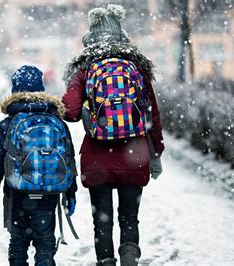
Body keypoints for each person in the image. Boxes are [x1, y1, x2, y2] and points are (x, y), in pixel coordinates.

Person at [61, 4, 165, 266]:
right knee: (129, 217)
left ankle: (106, 261)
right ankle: (129, 256)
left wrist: (86, 107)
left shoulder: (85, 68)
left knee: (102, 220)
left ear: (91, 37)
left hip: (97, 157)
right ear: (122, 34)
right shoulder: (137, 67)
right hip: (135, 153)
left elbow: (70, 112)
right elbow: (152, 114)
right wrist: (156, 153)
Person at [0, 65, 78, 266]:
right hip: (48, 195)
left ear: (14, 91)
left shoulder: (6, 125)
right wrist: (71, 192)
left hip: (18, 193)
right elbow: (68, 160)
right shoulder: (57, 121)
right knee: (45, 242)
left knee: (18, 242)